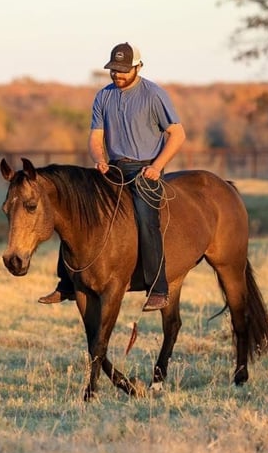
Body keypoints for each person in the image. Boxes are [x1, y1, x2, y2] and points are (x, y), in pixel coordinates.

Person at [38, 42, 186, 311]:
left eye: (123, 70)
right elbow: (96, 136)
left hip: (145, 170)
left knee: (145, 218)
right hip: (114, 169)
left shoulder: (154, 94)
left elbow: (177, 134)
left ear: (138, 67)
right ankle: (66, 284)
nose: (117, 75)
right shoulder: (103, 96)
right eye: (114, 70)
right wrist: (99, 159)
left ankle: (158, 288)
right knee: (75, 210)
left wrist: (157, 166)